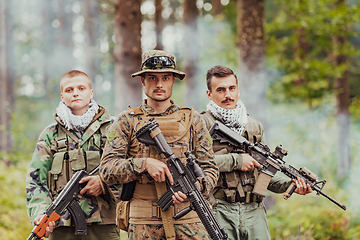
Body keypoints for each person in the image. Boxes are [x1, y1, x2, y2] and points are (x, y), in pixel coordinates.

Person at [99, 50, 219, 240]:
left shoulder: (194, 120)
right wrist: (143, 164)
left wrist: (195, 188)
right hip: (144, 224)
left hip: (190, 222)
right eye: (152, 78)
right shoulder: (126, 121)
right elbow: (106, 170)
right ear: (142, 81)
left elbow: (210, 169)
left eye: (166, 77)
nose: (159, 84)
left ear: (173, 80)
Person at [201, 65, 312, 240]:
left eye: (232, 88)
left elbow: (264, 174)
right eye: (220, 90)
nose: (227, 95)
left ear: (238, 90)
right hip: (219, 210)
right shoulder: (201, 125)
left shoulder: (253, 125)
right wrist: (236, 160)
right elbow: (195, 164)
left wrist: (291, 185)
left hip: (254, 212)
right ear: (210, 94)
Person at [26, 70, 120, 240]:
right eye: (69, 90)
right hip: (61, 226)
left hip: (103, 225)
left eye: (81, 88)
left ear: (91, 93)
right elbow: (35, 179)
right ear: (62, 96)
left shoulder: (113, 128)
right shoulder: (50, 134)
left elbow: (129, 167)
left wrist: (104, 183)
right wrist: (41, 213)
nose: (75, 93)